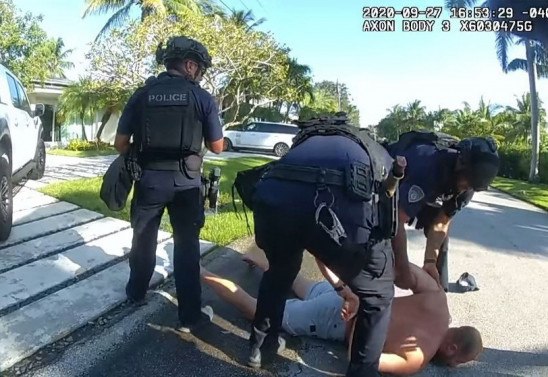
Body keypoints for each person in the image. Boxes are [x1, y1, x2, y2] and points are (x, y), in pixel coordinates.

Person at [246, 113, 405, 376]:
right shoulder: (371, 149)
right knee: (378, 296)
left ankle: (260, 347)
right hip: (334, 205)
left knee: (279, 272)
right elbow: (387, 221)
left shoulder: (303, 143)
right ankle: (363, 372)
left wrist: (341, 285)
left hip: (275, 200)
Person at [200, 248, 483, 375]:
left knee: (305, 287)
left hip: (351, 291)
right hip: (339, 319)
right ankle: (199, 271)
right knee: (260, 311)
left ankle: (261, 262)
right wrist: (360, 316)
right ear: (452, 347)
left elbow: (405, 271)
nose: (454, 367)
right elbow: (358, 357)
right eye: (458, 361)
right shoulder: (416, 359)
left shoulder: (438, 298)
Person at [113, 35, 224, 331]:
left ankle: (136, 293)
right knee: (186, 249)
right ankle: (189, 317)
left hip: (149, 181)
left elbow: (120, 143)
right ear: (189, 65)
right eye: (199, 67)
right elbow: (217, 146)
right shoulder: (202, 98)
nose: (200, 73)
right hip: (187, 185)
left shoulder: (142, 94)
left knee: (143, 239)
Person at [385, 132, 500, 289]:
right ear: (460, 164)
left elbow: (441, 223)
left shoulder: (469, 184)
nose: (467, 189)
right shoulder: (429, 167)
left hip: (432, 190)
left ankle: (437, 287)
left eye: (472, 186)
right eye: (467, 182)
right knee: (384, 234)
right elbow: (397, 219)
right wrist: (403, 270)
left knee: (441, 241)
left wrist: (430, 261)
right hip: (391, 177)